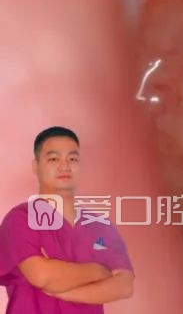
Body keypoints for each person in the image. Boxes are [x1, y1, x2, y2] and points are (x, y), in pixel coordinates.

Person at [0, 128, 134, 312]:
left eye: (72, 159)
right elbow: (42, 276)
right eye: (54, 159)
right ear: (36, 167)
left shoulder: (100, 226)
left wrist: (63, 292)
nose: (65, 166)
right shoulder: (20, 219)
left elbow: (124, 286)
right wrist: (97, 271)